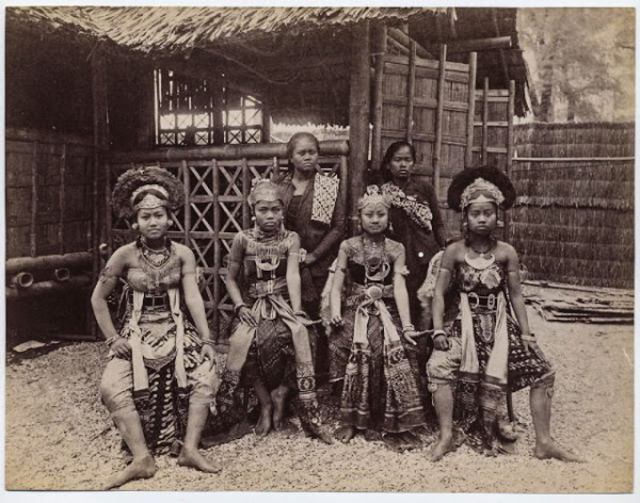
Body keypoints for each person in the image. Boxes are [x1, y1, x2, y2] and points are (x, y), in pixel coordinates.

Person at [426, 165, 581, 462]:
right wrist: (438, 331)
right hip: (463, 325)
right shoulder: (454, 251)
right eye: (475, 213)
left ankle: (544, 442)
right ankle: (446, 435)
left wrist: (526, 334)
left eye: (488, 212)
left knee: (543, 370)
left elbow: (516, 295)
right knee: (438, 367)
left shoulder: (506, 252)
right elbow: (438, 294)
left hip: (500, 326)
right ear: (465, 217)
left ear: (498, 215)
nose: (482, 218)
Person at [91, 166, 219, 489]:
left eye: (159, 215)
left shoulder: (183, 254)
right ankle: (141, 458)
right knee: (110, 386)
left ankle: (190, 449)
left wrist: (206, 340)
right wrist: (113, 339)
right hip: (136, 332)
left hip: (176, 329)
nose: (153, 222)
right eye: (145, 216)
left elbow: (192, 298)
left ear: (170, 218)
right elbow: (98, 299)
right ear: (135, 221)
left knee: (206, 375)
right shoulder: (124, 255)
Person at [213, 179, 332, 443]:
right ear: (253, 211)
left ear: (282, 211)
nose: (270, 216)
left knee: (304, 336)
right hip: (252, 304)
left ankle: (281, 393)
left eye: (275, 210)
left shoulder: (291, 239)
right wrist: (240, 306)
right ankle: (265, 402)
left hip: (283, 303)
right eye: (263, 210)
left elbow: (292, 275)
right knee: (244, 341)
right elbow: (230, 278)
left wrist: (297, 310)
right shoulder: (242, 239)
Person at [325, 185, 426, 451]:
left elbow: (400, 287)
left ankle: (387, 416)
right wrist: (335, 312)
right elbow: (336, 286)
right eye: (369, 214)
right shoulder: (348, 246)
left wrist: (407, 324)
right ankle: (351, 417)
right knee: (341, 342)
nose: (375, 219)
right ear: (360, 217)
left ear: (388, 217)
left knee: (394, 345)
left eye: (380, 214)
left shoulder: (396, 248)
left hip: (386, 306)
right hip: (355, 306)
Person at [275, 132, 347, 380]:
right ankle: (292, 372)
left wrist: (314, 256)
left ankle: (320, 372)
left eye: (312, 152)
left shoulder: (327, 185)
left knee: (319, 314)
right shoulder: (280, 187)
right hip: (285, 260)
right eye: (301, 153)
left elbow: (338, 227)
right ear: (291, 157)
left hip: (318, 261)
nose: (308, 157)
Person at [378, 141, 447, 330]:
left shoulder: (424, 189)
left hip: (426, 255)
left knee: (426, 305)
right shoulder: (383, 193)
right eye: (397, 160)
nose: (403, 164)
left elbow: (437, 223)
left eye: (407, 160)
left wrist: (444, 250)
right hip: (398, 256)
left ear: (413, 164)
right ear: (388, 164)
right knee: (402, 304)